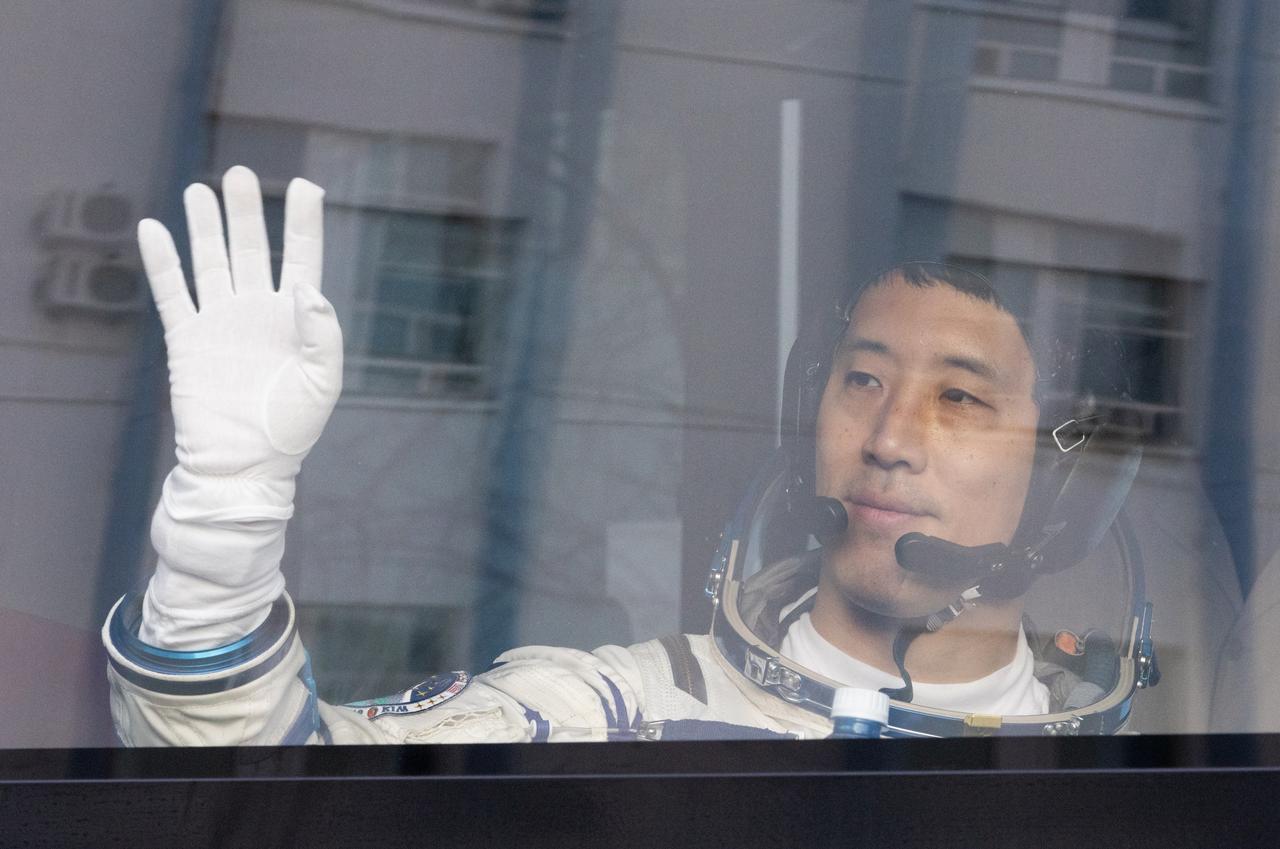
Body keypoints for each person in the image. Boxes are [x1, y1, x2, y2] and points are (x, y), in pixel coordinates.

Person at [102, 166, 1152, 744]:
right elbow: (268, 798)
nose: (885, 440)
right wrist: (222, 522)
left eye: (957, 400)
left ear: (1062, 486)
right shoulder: (607, 715)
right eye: (861, 380)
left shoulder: (1165, 777)